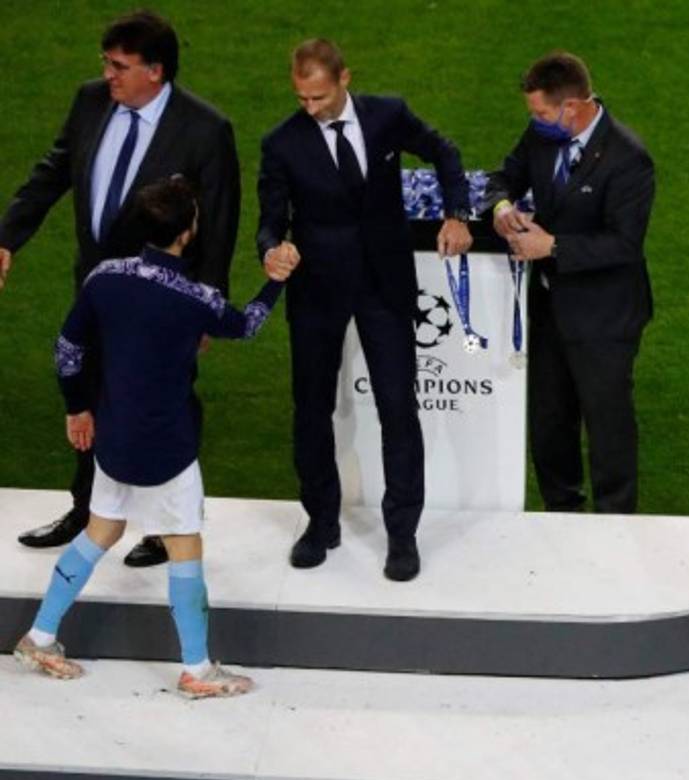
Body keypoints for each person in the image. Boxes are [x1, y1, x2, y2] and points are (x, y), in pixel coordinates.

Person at [12, 176, 288, 698]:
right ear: (187, 233)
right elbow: (247, 324)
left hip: (113, 436)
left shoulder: (104, 277)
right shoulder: (196, 298)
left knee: (102, 530)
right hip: (167, 445)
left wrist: (78, 409)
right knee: (185, 545)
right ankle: (197, 669)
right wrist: (276, 280)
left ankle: (40, 635)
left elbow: (67, 352)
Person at [0, 10, 241, 570]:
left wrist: (206, 307)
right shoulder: (91, 101)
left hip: (163, 298)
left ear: (155, 72)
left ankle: (165, 529)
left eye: (120, 66)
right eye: (107, 63)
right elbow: (52, 172)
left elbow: (221, 222)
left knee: (164, 400)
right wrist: (8, 237)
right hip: (97, 288)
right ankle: (86, 510)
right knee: (87, 390)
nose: (108, 74)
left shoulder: (205, 129)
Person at [256, 38, 472, 581]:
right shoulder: (282, 143)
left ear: (344, 79)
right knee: (311, 409)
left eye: (320, 97)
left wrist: (457, 213)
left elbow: (444, 152)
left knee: (399, 409)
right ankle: (321, 522)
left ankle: (402, 533)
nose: (311, 109)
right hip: (316, 292)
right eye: (303, 99)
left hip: (384, 285)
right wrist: (271, 250)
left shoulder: (387, 116)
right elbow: (269, 217)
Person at [485, 51, 655, 514]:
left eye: (541, 112)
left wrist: (552, 247)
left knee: (607, 425)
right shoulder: (543, 135)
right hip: (548, 311)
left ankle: (615, 522)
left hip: (605, 317)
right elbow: (502, 176)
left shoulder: (629, 160)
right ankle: (561, 516)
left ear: (573, 107)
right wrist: (502, 209)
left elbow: (624, 244)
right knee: (550, 422)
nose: (535, 121)